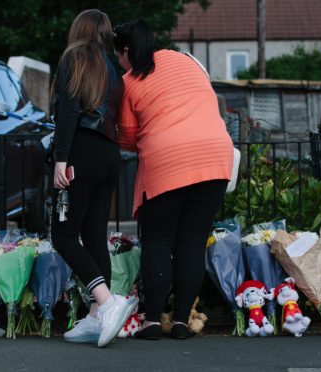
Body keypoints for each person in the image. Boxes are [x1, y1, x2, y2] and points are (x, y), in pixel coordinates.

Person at [113, 19, 234, 339]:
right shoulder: (185, 60)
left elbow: (127, 136)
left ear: (126, 52)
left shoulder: (129, 80)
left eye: (118, 57)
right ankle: (182, 321)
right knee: (191, 243)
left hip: (168, 162)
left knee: (158, 240)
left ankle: (152, 321)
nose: (119, 64)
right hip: (214, 158)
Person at [50, 9, 135, 348]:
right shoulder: (111, 68)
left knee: (64, 235)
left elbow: (70, 110)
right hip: (108, 155)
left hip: (81, 153)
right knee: (94, 235)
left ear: (79, 29)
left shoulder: (75, 56)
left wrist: (60, 158)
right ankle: (97, 318)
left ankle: (108, 302)